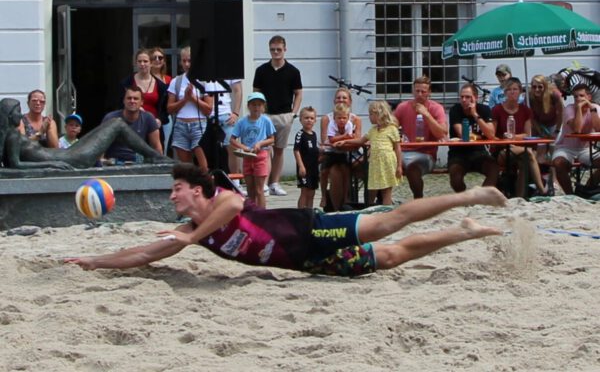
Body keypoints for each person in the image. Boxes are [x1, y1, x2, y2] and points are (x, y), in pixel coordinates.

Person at [65, 164, 507, 278]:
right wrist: (94, 261)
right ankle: (463, 231)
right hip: (302, 264)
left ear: (195, 190)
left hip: (306, 228)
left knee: (386, 223)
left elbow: (234, 210)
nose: (172, 195)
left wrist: (190, 238)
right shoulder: (186, 235)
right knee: (390, 257)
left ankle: (470, 195)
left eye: (176, 189)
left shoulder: (218, 199)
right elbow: (142, 253)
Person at [0, 98, 169, 170]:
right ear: (8, 116)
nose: (20, 116)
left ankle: (154, 156)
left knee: (113, 124)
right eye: (18, 112)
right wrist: (50, 165)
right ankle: (155, 156)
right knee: (116, 124)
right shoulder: (13, 136)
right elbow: (16, 166)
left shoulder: (11, 135)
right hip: (70, 159)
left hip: (67, 154)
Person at [253, 35, 303, 196]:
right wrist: (258, 112)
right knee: (265, 149)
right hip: (266, 115)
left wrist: (293, 114)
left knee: (279, 150)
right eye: (273, 49)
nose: (276, 52)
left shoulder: (293, 71)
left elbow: (298, 94)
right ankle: (265, 183)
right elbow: (256, 93)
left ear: (284, 50)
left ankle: (275, 182)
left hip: (284, 115)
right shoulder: (261, 70)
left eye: (279, 49)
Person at [339, 101, 402, 206]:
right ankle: (369, 209)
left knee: (386, 191)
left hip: (387, 163)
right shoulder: (372, 130)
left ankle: (386, 212)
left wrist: (399, 166)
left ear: (378, 114)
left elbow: (397, 148)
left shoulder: (392, 129)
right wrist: (346, 141)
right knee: (372, 189)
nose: (369, 117)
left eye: (370, 114)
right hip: (375, 164)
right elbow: (360, 141)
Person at [393, 76, 448, 199]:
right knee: (381, 162)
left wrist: (427, 115)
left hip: (426, 153)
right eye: (417, 91)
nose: (419, 94)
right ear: (413, 91)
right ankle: (382, 200)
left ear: (429, 93)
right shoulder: (403, 107)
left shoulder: (436, 108)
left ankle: (418, 201)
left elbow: (442, 134)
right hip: (402, 152)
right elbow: (391, 126)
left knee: (413, 170)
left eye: (423, 92)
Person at [491, 77, 546, 198]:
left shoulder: (525, 110)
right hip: (502, 150)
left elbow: (527, 134)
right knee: (529, 154)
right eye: (509, 89)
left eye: (515, 89)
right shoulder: (497, 110)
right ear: (504, 93)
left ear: (520, 92)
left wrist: (514, 137)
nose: (512, 92)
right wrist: (504, 140)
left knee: (524, 162)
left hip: (520, 147)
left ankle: (519, 196)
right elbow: (492, 136)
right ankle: (542, 190)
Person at [166, 47, 213, 171]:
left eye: (190, 61)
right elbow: (170, 108)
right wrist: (184, 100)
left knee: (203, 166)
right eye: (184, 61)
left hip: (199, 124)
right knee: (186, 165)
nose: (186, 64)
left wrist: (192, 98)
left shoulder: (204, 80)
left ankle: (204, 187)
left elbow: (209, 109)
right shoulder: (176, 81)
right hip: (181, 124)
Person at [447, 84, 498, 192]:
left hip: (478, 152)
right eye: (462, 97)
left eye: (467, 97)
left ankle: (482, 196)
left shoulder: (484, 109)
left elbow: (491, 134)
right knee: (455, 178)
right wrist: (481, 137)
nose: (464, 100)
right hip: (458, 153)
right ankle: (465, 198)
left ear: (475, 97)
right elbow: (463, 135)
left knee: (494, 168)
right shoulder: (455, 110)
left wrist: (475, 114)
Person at [552, 83, 600, 194]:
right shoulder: (569, 109)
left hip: (586, 149)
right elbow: (577, 129)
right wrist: (579, 108)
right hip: (566, 147)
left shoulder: (596, 108)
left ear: (589, 97)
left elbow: (598, 128)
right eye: (575, 96)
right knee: (558, 163)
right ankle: (570, 194)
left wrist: (592, 110)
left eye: (581, 96)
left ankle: (588, 187)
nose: (578, 99)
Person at [230, 92, 276, 208]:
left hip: (260, 155)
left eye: (259, 105)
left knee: (259, 189)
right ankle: (252, 213)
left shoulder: (266, 120)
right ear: (248, 106)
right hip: (247, 156)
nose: (256, 108)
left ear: (263, 106)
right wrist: (243, 147)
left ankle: (262, 214)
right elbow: (232, 139)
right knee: (250, 189)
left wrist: (260, 143)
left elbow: (272, 139)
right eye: (254, 105)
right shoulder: (242, 122)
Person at [319, 88, 362, 210]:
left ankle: (351, 202)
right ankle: (336, 206)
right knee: (334, 172)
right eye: (338, 97)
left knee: (364, 168)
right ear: (334, 100)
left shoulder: (355, 119)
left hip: (351, 153)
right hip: (332, 152)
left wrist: (343, 142)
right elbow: (326, 141)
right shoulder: (327, 119)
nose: (341, 100)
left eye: (344, 98)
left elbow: (357, 140)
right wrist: (345, 139)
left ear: (350, 101)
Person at [119, 49, 169, 145]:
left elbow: (165, 110)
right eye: (139, 61)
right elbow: (120, 105)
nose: (142, 64)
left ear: (151, 63)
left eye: (145, 61)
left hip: (153, 128)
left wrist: (160, 120)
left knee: (155, 157)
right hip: (131, 127)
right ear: (135, 63)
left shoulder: (161, 86)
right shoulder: (126, 83)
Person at [102, 87, 163, 163]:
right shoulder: (110, 118)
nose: (132, 101)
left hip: (139, 162)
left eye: (136, 98)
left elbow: (156, 146)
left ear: (142, 102)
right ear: (124, 100)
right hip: (114, 162)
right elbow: (101, 146)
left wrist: (160, 165)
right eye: (129, 98)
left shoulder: (148, 118)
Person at [203, 79, 243, 175]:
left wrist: (236, 113)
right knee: (202, 148)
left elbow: (238, 90)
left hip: (225, 114)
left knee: (232, 147)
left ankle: (235, 180)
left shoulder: (227, 66)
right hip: (205, 115)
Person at [528, 74, 563, 171]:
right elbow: (531, 118)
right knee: (540, 155)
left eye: (540, 87)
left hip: (554, 123)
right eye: (534, 87)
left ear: (545, 87)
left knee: (554, 150)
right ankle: (543, 176)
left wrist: (557, 130)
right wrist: (540, 131)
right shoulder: (530, 97)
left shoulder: (554, 95)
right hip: (539, 124)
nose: (537, 89)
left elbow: (561, 113)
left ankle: (555, 178)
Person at [293, 106, 320, 209]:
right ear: (300, 119)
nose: (309, 120)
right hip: (304, 168)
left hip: (313, 168)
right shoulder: (300, 134)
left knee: (312, 192)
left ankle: (309, 212)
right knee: (304, 191)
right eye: (306, 118)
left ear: (315, 120)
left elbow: (313, 149)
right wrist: (301, 166)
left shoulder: (314, 134)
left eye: (312, 118)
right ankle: (300, 213)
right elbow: (296, 150)